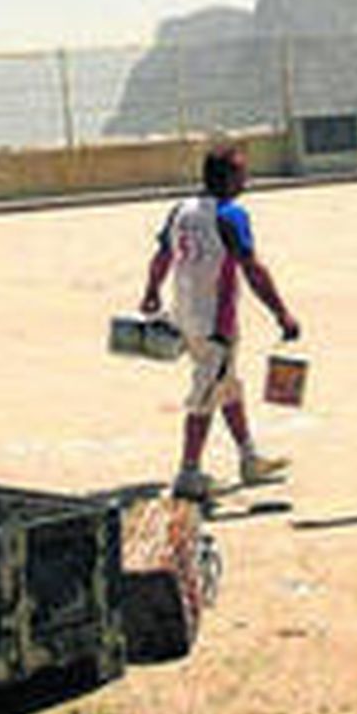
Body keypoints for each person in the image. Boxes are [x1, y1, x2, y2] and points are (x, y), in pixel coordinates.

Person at [140, 141, 301, 501]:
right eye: (242, 173)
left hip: (185, 315)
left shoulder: (181, 210)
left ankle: (249, 457)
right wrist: (281, 313)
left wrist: (151, 291)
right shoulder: (231, 215)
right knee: (205, 395)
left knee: (227, 386)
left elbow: (163, 256)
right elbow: (252, 269)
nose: (247, 179)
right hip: (216, 324)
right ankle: (189, 472)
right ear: (227, 178)